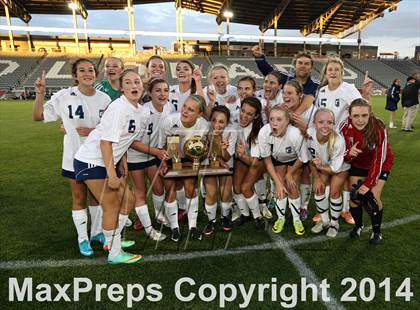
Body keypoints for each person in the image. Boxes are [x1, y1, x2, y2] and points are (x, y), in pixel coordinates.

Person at [32, 59, 111, 257]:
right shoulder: (63, 96)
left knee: (96, 198)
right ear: (75, 76)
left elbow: (110, 129)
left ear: (96, 74)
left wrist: (92, 130)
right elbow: (38, 116)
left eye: (91, 70)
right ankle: (82, 239)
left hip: (97, 157)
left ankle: (97, 233)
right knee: (78, 198)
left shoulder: (104, 99)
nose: (87, 73)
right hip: (74, 156)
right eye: (82, 70)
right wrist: (40, 94)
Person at [73, 69, 146, 263]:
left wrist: (121, 161)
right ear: (121, 88)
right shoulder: (119, 108)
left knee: (128, 200)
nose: (134, 86)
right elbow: (105, 142)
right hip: (93, 160)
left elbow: (122, 140)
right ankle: (114, 253)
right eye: (128, 83)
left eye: (137, 82)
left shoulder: (138, 109)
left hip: (107, 160)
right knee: (111, 205)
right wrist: (112, 174)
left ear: (143, 85)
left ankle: (111, 241)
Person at [341, 98, 394, 245]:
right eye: (356, 116)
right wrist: (349, 153)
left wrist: (368, 183)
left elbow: (379, 159)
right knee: (354, 197)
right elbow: (340, 153)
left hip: (381, 163)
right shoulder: (344, 127)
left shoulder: (379, 128)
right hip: (358, 164)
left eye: (364, 115)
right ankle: (358, 226)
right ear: (350, 115)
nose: (360, 120)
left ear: (370, 114)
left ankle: (377, 232)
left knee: (372, 198)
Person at [128, 78, 174, 241]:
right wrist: (157, 152)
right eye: (158, 90)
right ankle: (149, 230)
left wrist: (161, 155)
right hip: (136, 156)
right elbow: (132, 142)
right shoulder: (142, 112)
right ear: (149, 93)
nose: (162, 94)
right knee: (140, 192)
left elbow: (168, 135)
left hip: (154, 155)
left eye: (165, 90)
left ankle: (160, 217)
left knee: (158, 189)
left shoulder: (169, 107)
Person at [159, 94, 210, 242]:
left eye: (191, 110)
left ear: (200, 114)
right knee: (170, 191)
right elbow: (161, 145)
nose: (185, 111)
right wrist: (163, 162)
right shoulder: (169, 122)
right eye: (185, 107)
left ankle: (192, 226)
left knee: (190, 188)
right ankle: (175, 228)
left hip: (190, 156)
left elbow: (203, 148)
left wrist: (200, 156)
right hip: (171, 154)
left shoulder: (203, 126)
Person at [259, 105, 308, 235]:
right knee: (279, 188)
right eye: (271, 119)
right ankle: (281, 219)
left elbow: (303, 158)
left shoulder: (295, 134)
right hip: (276, 159)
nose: (274, 123)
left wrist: (290, 174)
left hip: (295, 160)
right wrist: (279, 183)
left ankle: (296, 219)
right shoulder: (264, 133)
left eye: (279, 119)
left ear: (287, 121)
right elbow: (267, 160)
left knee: (292, 186)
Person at [307, 108, 349, 237]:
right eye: (321, 122)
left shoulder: (338, 141)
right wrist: (317, 178)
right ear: (314, 124)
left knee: (334, 190)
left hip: (340, 167)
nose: (325, 126)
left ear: (334, 124)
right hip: (321, 165)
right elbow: (310, 160)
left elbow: (335, 168)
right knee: (318, 188)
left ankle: (334, 223)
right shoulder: (308, 136)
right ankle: (324, 221)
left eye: (329, 122)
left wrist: (320, 166)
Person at [202, 105, 237, 235]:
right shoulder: (205, 128)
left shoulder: (231, 131)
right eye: (214, 120)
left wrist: (222, 150)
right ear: (210, 120)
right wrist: (215, 140)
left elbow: (227, 156)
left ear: (227, 122)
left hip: (227, 164)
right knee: (211, 192)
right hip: (209, 163)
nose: (217, 124)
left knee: (226, 192)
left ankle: (224, 217)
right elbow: (202, 153)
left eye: (221, 121)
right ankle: (211, 220)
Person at [232, 96, 265, 229]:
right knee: (236, 188)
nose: (244, 115)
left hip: (257, 161)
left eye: (249, 114)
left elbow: (255, 162)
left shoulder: (259, 131)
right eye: (242, 110)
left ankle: (257, 217)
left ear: (256, 116)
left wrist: (242, 154)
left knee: (246, 188)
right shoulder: (232, 119)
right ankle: (245, 215)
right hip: (242, 159)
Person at [251, 45, 319, 98]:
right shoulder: (285, 78)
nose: (303, 66)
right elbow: (268, 71)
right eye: (300, 63)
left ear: (311, 68)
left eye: (307, 64)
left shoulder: (317, 86)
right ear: (294, 66)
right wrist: (259, 57)